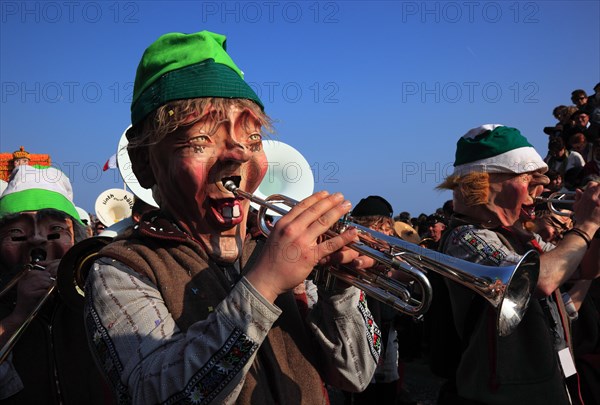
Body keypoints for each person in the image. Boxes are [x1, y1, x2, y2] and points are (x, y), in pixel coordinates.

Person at [83, 30, 379, 404]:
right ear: (145, 165)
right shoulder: (120, 269)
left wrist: (343, 288)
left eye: (252, 140)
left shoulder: (271, 243)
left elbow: (356, 376)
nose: (237, 156)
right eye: (200, 142)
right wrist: (264, 285)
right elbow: (152, 396)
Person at [436, 124, 600, 404]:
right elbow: (542, 280)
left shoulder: (519, 235)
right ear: (485, 183)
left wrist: (596, 229)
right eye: (529, 177)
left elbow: (587, 269)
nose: (544, 185)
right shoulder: (465, 238)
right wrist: (586, 226)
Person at [0, 165, 112, 404]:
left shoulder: (96, 287)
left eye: (55, 232)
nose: (38, 241)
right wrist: (17, 316)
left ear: (77, 237)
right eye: (17, 235)